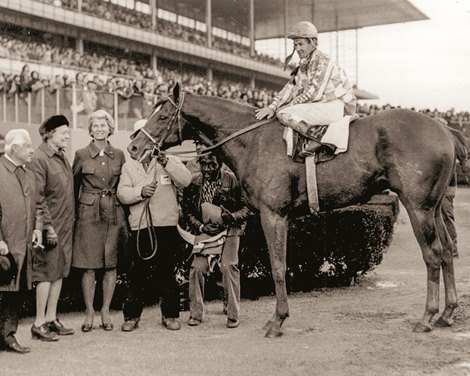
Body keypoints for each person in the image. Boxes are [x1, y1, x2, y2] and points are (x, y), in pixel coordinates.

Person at [117, 120, 192, 331]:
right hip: (141, 227)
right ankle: (131, 317)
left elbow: (186, 180)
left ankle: (170, 315)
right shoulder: (129, 166)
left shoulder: (168, 160)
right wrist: (140, 192)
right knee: (137, 273)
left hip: (166, 224)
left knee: (167, 272)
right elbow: (122, 193)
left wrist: (166, 161)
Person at [254, 21, 357, 157]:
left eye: (301, 44)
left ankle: (320, 140)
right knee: (281, 111)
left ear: (312, 42)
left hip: (338, 108)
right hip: (324, 105)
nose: (297, 48)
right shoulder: (304, 64)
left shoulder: (323, 60)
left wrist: (282, 109)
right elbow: (289, 89)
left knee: (284, 113)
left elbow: (312, 94)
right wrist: (272, 107)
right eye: (295, 44)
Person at [72, 110, 128, 332]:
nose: (99, 130)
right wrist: (75, 215)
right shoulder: (81, 154)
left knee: (110, 264)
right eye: (95, 126)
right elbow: (73, 186)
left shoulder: (120, 155)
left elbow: (123, 185)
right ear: (90, 129)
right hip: (88, 216)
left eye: (103, 126)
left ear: (110, 128)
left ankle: (105, 310)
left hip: (113, 214)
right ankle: (89, 312)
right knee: (88, 266)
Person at [181, 153, 251, 328]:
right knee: (197, 268)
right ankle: (196, 314)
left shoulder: (232, 180)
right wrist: (202, 227)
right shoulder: (194, 182)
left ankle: (233, 314)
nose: (207, 169)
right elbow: (188, 212)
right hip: (206, 230)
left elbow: (247, 208)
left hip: (230, 229)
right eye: (203, 164)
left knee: (229, 266)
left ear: (220, 164)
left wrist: (230, 218)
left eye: (212, 165)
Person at [30, 115, 75, 341]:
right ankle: (38, 322)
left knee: (59, 273)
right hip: (51, 227)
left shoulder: (61, 157)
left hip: (65, 226)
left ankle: (51, 318)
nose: (67, 135)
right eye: (63, 132)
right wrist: (47, 226)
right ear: (49, 134)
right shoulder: (39, 158)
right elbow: (38, 198)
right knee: (46, 274)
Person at [0, 129, 43, 354]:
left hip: (23, 244)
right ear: (15, 148)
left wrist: (37, 228)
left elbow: (38, 204)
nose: (32, 150)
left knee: (14, 292)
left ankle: (8, 336)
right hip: (5, 244)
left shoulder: (28, 173)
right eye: (28, 146)